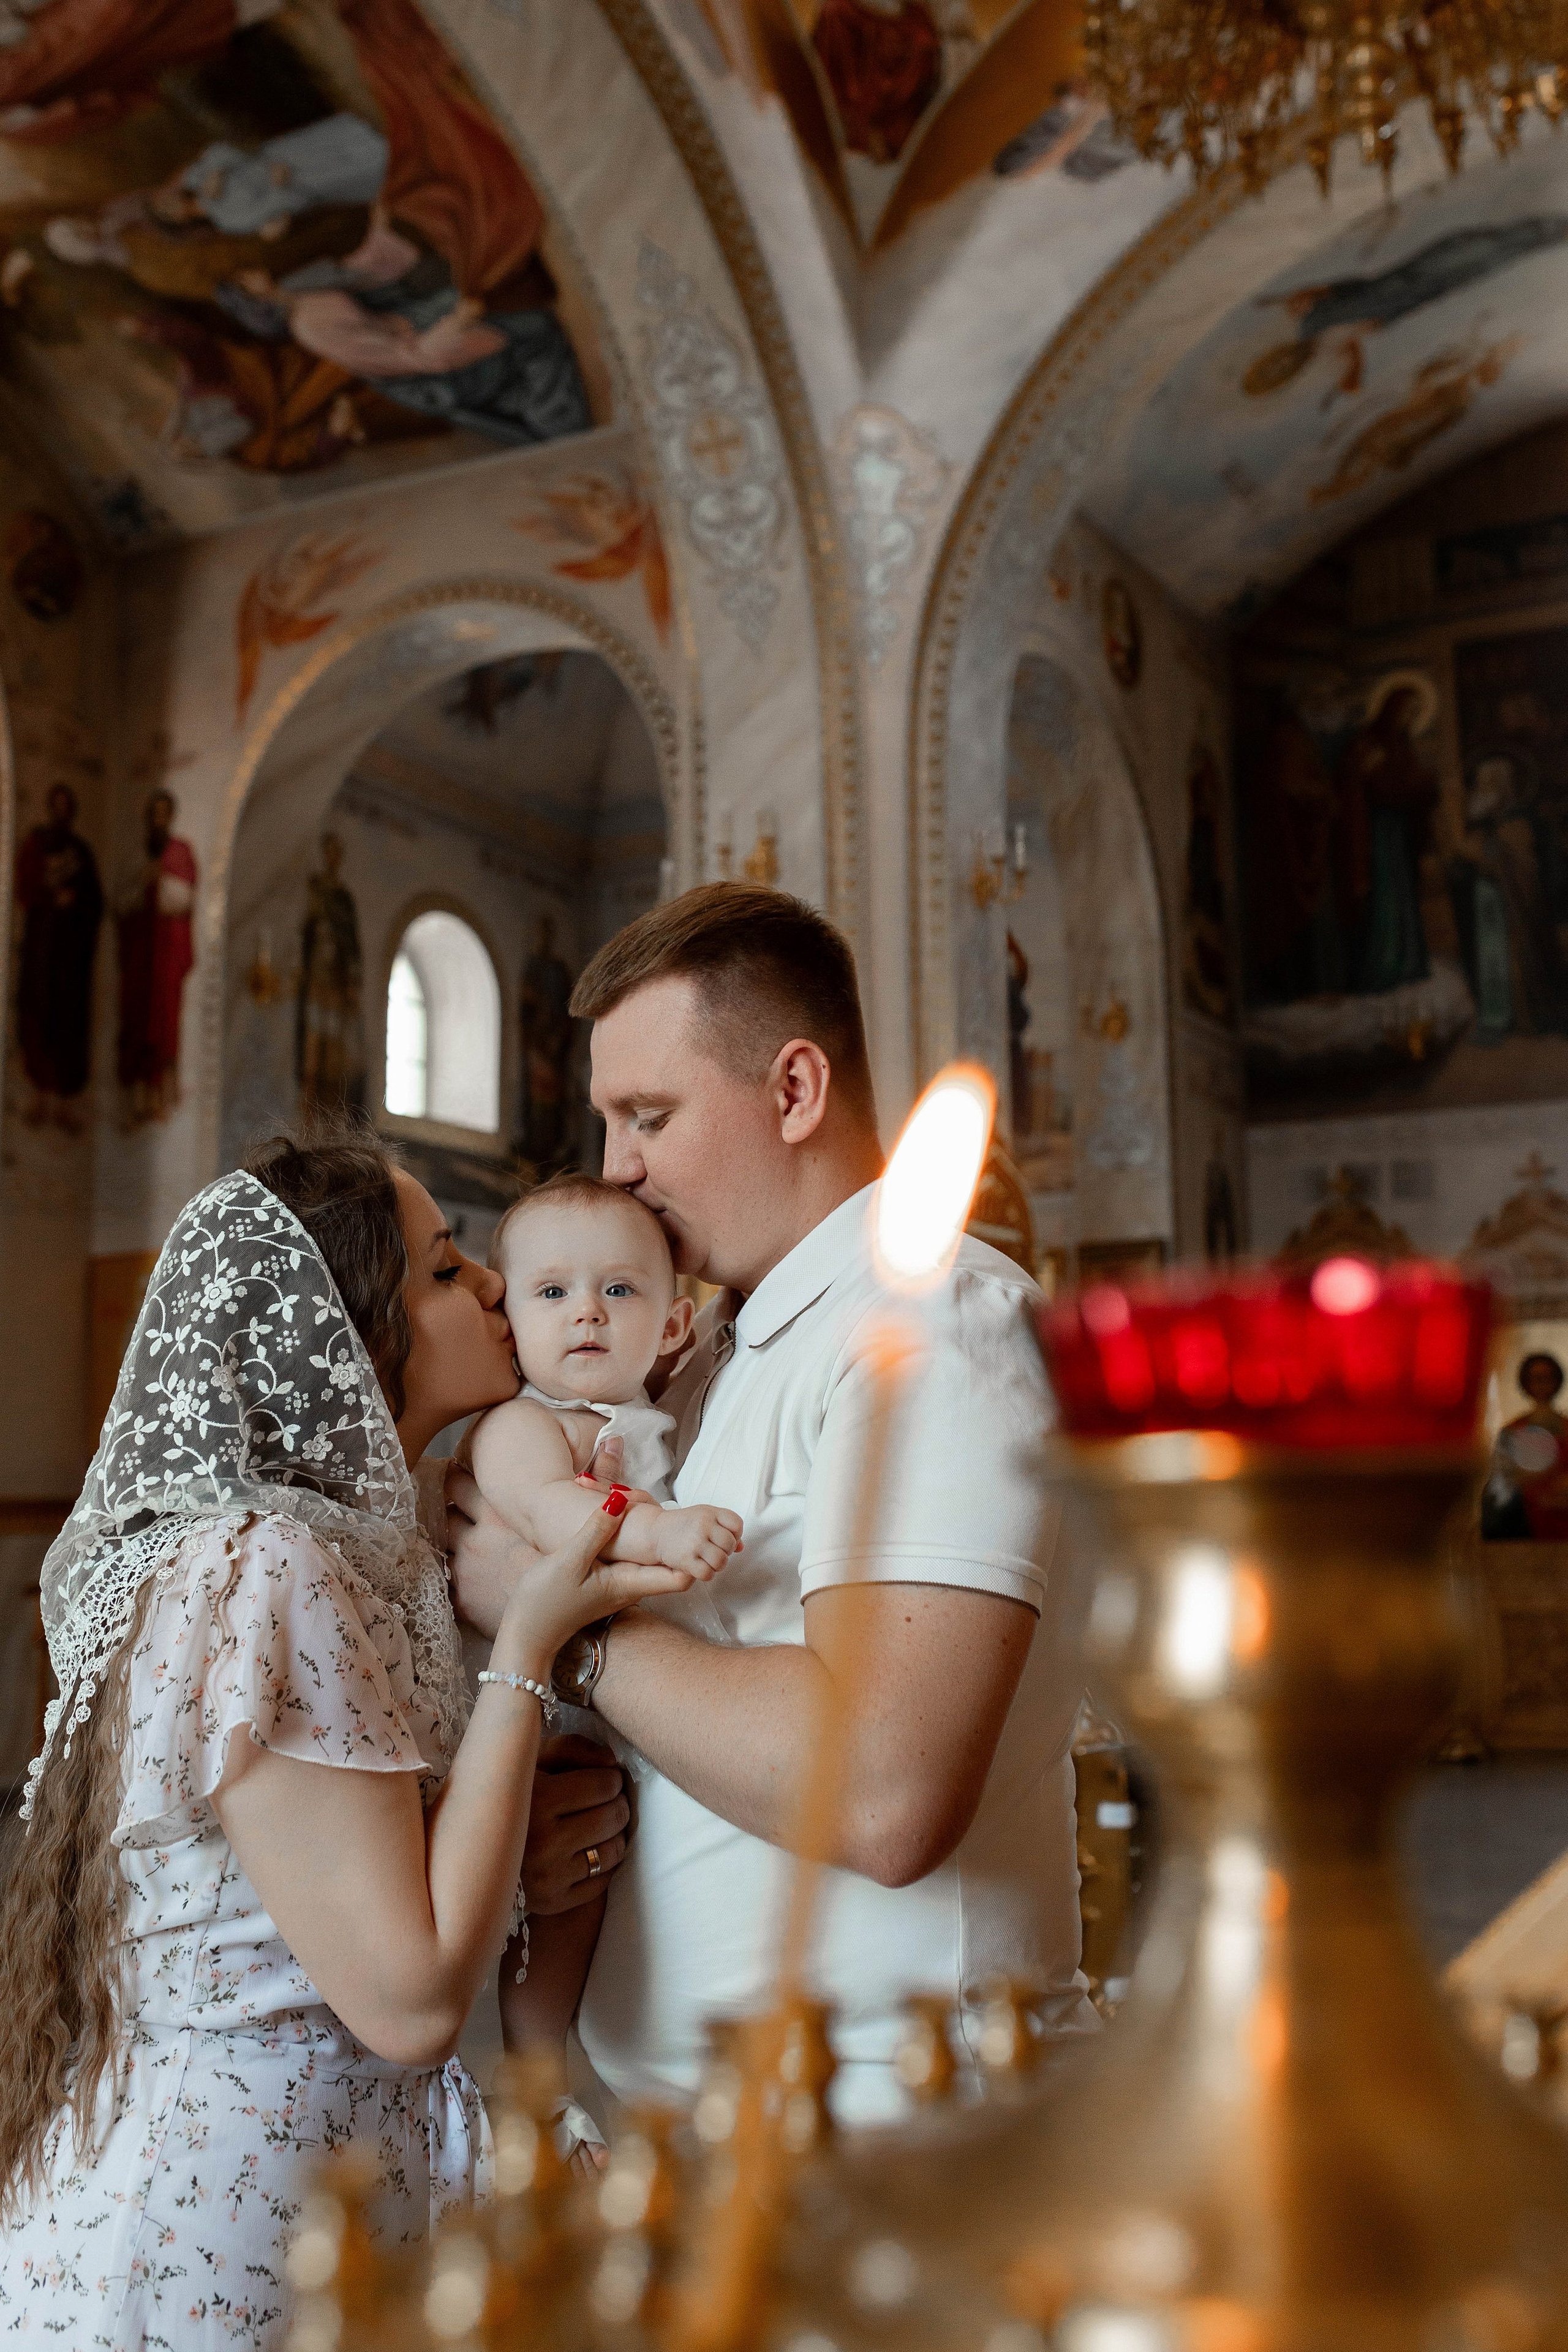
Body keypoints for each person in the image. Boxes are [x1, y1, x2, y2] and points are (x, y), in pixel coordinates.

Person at [0, 1131, 700, 2348]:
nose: (489, 1284)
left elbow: (346, 1895)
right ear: (344, 1335)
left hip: (333, 2199)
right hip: (206, 2239)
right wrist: (527, 1660)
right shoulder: (265, 1566)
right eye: (441, 1271)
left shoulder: (377, 1558)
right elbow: (413, 2000)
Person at [450, 883, 1095, 2130]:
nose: (615, 1168)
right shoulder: (717, 1354)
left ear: (792, 1091)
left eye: (648, 1116)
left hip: (886, 2128)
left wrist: (565, 1633)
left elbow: (881, 1788)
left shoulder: (927, 1325)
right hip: (705, 2125)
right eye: (605, 1122)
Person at [456, 1174, 742, 2100]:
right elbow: (549, 1513)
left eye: (619, 1291)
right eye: (552, 1293)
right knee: (568, 1900)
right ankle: (536, 2079)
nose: (587, 1312)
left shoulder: (657, 1412)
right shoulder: (519, 1426)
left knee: (621, 1885)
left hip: (636, 1698)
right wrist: (656, 1528)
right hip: (549, 1714)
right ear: (514, 1326)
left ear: (670, 1326)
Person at [13, 781, 104, 1132]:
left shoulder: (81, 850)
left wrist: (74, 901)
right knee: (38, 1014)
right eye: (57, 806)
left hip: (70, 958)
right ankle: (39, 1097)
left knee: (68, 1024)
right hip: (41, 949)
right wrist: (48, 892)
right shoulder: (36, 844)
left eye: (67, 807)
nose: (61, 813)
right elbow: (25, 887)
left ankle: (65, 1103)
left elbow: (94, 902)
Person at [116, 788, 197, 1124]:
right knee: (136, 1024)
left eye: (165, 812)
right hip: (140, 954)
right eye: (154, 813)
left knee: (164, 1028)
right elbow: (122, 900)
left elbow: (184, 899)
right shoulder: (136, 853)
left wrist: (158, 881)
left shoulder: (180, 853)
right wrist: (143, 882)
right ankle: (136, 1102)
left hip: (165, 957)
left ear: (171, 816)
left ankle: (163, 1101)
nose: (158, 819)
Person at [1483, 1351, 1568, 1540]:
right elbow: (1500, 1481)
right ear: (1526, 1383)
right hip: (1525, 1518)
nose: (1542, 1384)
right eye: (1536, 1378)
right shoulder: (1512, 1431)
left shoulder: (1566, 1427)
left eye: (1548, 1378)